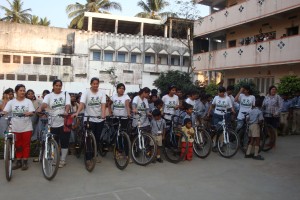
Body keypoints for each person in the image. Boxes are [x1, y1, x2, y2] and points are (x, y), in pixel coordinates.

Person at [37, 79, 71, 168]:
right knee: (54, 142)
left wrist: (66, 112)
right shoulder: (49, 96)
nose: (58, 87)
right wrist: (40, 109)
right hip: (52, 122)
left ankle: (63, 160)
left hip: (64, 122)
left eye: (60, 85)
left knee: (64, 142)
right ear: (53, 86)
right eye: (56, 85)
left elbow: (68, 105)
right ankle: (55, 158)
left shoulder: (65, 94)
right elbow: (44, 104)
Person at [73, 77, 106, 165]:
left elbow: (103, 105)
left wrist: (103, 114)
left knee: (97, 139)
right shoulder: (86, 93)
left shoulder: (102, 93)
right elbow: (82, 104)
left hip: (99, 119)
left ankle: (95, 155)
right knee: (88, 139)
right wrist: (77, 112)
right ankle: (88, 158)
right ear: (91, 84)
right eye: (94, 83)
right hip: (89, 118)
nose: (95, 85)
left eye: (97, 84)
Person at [2, 84, 35, 170]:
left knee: (26, 144)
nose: (22, 92)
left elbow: (32, 111)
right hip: (15, 127)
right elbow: (5, 110)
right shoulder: (11, 102)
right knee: (18, 145)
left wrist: (29, 113)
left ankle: (25, 162)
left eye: (24, 90)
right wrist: (2, 113)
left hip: (26, 126)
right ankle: (18, 161)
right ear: (16, 92)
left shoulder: (28, 101)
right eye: (20, 90)